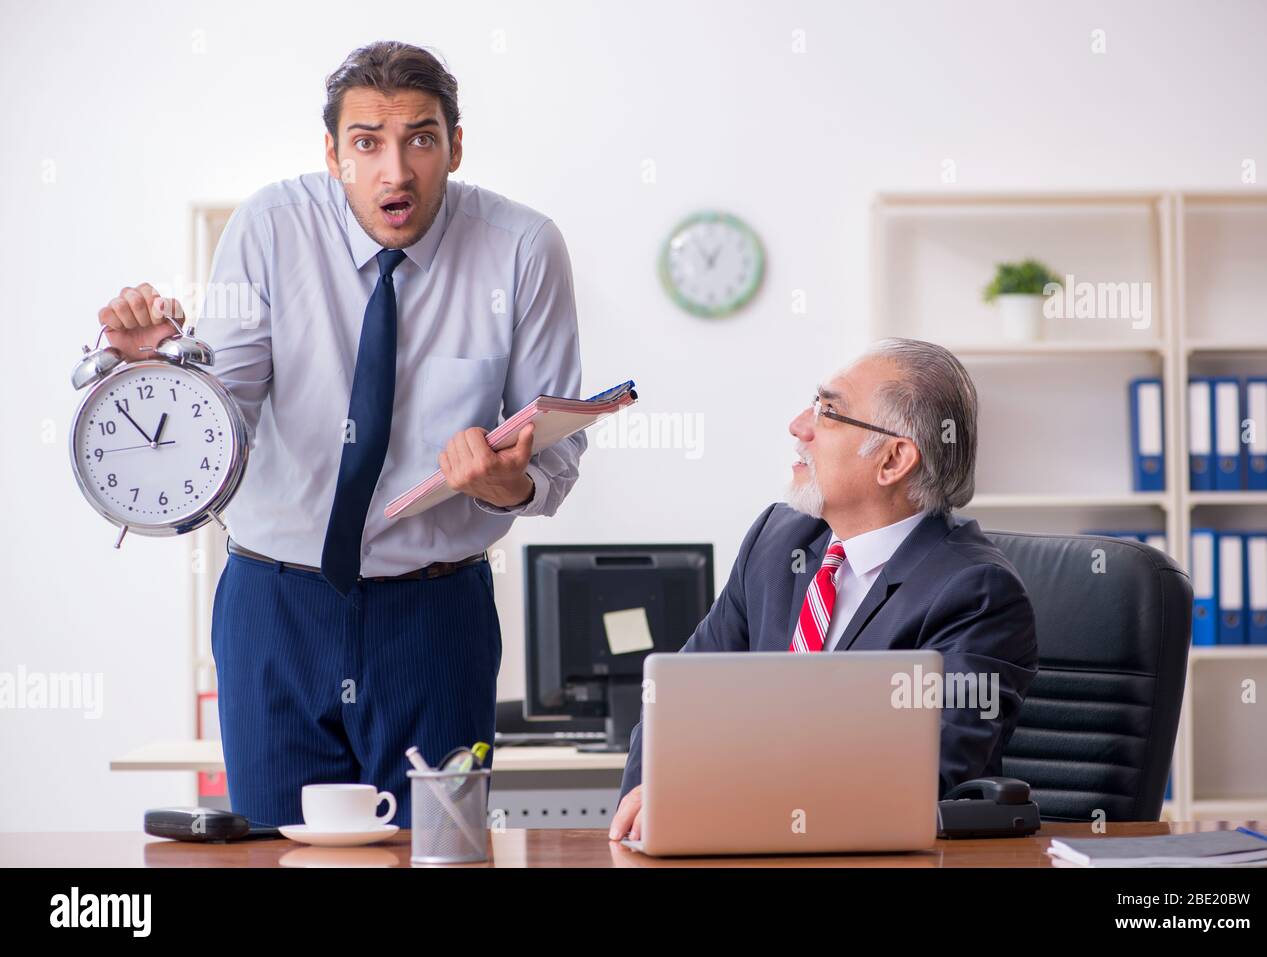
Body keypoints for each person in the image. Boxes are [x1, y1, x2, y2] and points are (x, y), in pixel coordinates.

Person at [95, 41, 585, 827]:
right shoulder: (268, 228)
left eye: (421, 138)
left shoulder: (523, 248)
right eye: (366, 143)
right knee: (269, 845)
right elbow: (225, 423)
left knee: (438, 849)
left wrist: (506, 483)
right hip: (275, 605)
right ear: (331, 153)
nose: (396, 171)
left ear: (456, 145)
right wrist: (162, 378)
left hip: (436, 617)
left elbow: (552, 460)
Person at [609, 338, 1038, 842]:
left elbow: (916, 778)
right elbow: (675, 702)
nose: (799, 426)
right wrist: (643, 814)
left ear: (893, 460)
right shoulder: (778, 539)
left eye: (829, 411)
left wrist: (709, 803)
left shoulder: (976, 593)